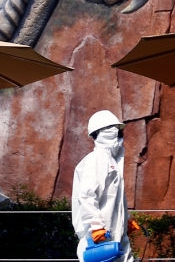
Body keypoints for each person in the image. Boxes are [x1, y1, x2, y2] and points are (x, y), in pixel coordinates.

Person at [71, 110, 141, 262]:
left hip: (116, 232)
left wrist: (126, 219)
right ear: (106, 132)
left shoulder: (112, 162)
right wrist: (96, 226)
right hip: (101, 235)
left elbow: (117, 198)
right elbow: (87, 196)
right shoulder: (95, 160)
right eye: (116, 129)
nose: (120, 134)